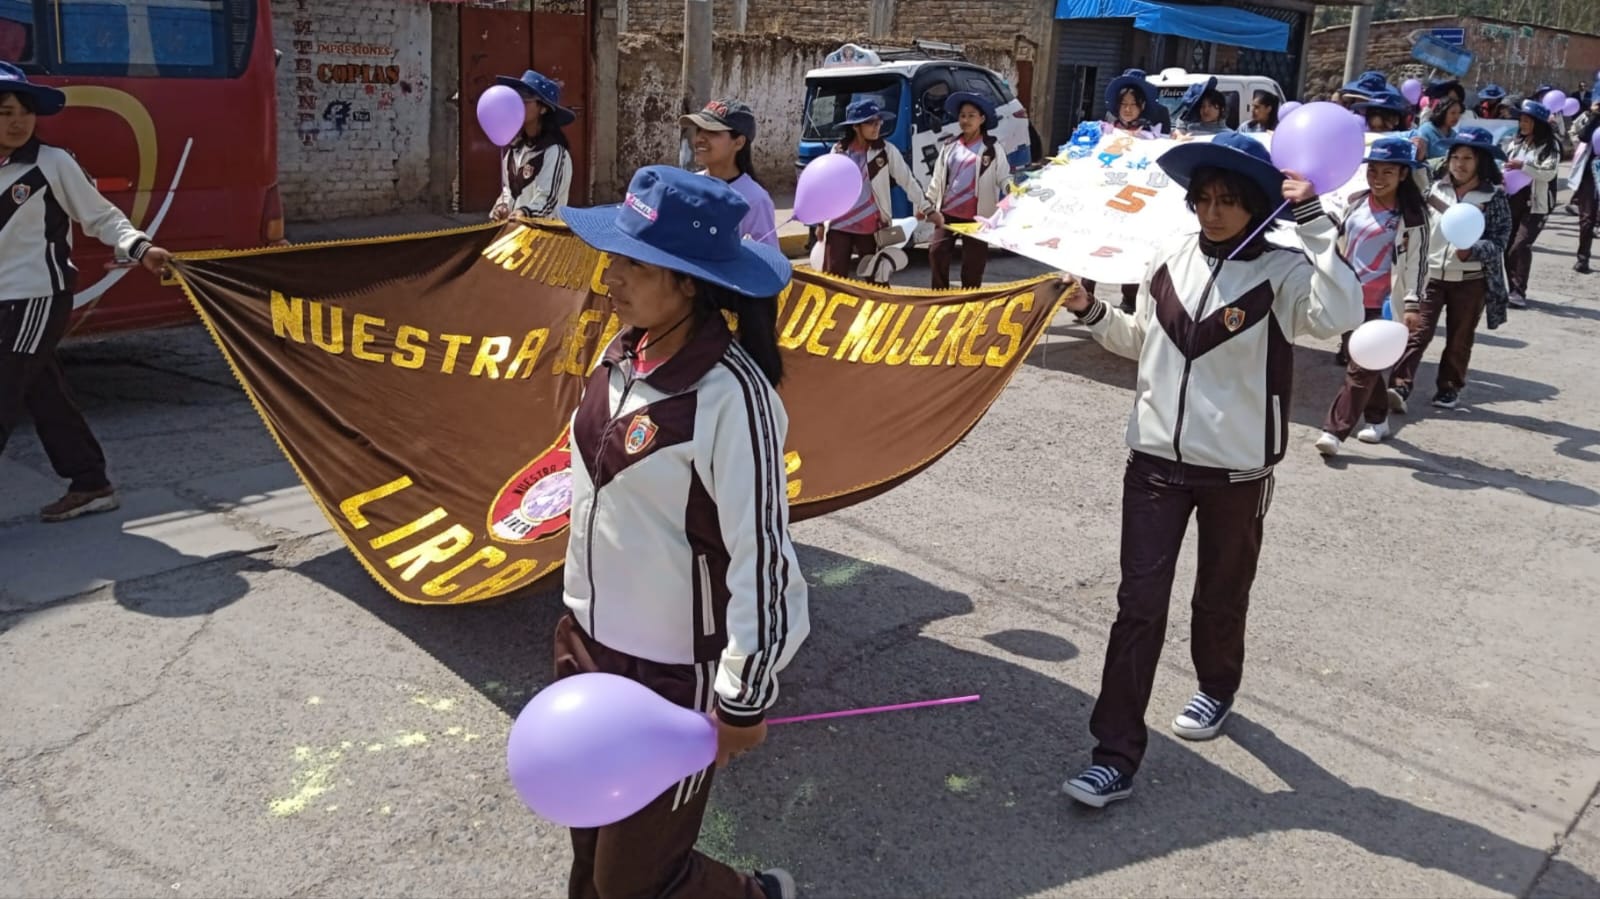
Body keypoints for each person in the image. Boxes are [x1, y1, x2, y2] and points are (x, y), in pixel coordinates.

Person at [1057, 132, 1363, 808]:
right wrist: (1091, 311)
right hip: (1155, 465)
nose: (1213, 211)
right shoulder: (1168, 257)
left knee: (1220, 597)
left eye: (1228, 200)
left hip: (1237, 473)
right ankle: (1114, 756)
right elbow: (1142, 341)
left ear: (1256, 206)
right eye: (1203, 198)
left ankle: (1216, 686)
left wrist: (1314, 223)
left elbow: (1343, 312)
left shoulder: (1283, 274)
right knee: (1138, 606)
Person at [554, 165, 809, 899]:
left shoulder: (732, 395)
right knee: (590, 852)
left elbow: (763, 557)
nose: (612, 275)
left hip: (674, 677)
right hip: (588, 647)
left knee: (636, 879)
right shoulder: (620, 353)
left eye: (636, 262)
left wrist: (742, 697)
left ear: (691, 281)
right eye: (615, 254)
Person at [0, 64, 172, 522]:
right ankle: (91, 482)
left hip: (37, 296)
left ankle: (90, 481)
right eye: (4, 112)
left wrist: (140, 247)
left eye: (24, 111)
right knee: (43, 392)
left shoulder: (51, 164)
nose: (17, 122)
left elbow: (101, 217)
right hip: (2, 299)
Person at [1314, 138, 1431, 455]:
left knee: (1360, 367)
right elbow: (1338, 241)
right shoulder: (1356, 202)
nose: (1378, 178)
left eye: (1387, 172)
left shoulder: (1413, 217)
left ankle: (1334, 432)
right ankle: (1378, 421)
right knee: (1364, 363)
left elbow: (1419, 263)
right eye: (1373, 170)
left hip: (1383, 306)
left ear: (1403, 175)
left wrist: (1412, 302)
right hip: (1348, 296)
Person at [1388, 127, 1511, 413]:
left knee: (1460, 337)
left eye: (1467, 158)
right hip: (1430, 275)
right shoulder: (1433, 189)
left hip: (1471, 280)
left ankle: (1449, 388)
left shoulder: (1494, 197)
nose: (1460, 163)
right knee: (1416, 331)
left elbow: (1501, 240)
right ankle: (1400, 385)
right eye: (1455, 157)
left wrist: (1474, 250)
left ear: (1480, 161)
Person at [817, 98, 921, 282]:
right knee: (833, 279)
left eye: (878, 122)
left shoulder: (886, 151)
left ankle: (882, 311)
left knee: (876, 280)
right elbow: (828, 187)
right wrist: (820, 222)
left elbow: (908, 180)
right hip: (839, 225)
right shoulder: (839, 150)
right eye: (870, 122)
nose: (876, 127)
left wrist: (926, 207)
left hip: (871, 227)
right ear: (856, 127)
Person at [1088, 70, 1162, 312]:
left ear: (1142, 107)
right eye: (1123, 105)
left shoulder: (1150, 138)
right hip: (1103, 200)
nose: (1128, 110)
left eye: (1133, 105)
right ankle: (1085, 296)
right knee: (1091, 249)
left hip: (1132, 204)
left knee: (1128, 250)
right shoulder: (1103, 133)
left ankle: (1129, 299)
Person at [923, 92, 1009, 290]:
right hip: (947, 214)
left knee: (973, 265)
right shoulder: (949, 145)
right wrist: (927, 203)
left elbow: (1003, 176)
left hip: (978, 218)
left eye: (971, 115)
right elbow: (937, 179)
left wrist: (1011, 189)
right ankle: (939, 297)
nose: (966, 120)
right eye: (962, 115)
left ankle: (969, 303)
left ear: (982, 119)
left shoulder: (991, 148)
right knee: (936, 253)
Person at [681, 99, 778, 249]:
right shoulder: (688, 184)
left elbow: (767, 261)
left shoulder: (755, 200)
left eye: (712, 132)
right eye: (699, 130)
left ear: (738, 142)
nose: (698, 139)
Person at [490, 69, 575, 222]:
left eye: (525, 98)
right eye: (516, 97)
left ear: (543, 108)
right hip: (515, 234)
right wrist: (501, 208)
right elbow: (509, 191)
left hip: (543, 237)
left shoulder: (554, 152)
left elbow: (548, 199)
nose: (518, 104)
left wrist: (525, 213)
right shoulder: (514, 150)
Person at [1500, 99, 1561, 308]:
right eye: (1521, 120)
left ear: (1537, 123)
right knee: (1507, 246)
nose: (1522, 124)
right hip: (1512, 201)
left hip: (1535, 204)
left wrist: (1524, 166)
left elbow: (1548, 172)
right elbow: (1504, 164)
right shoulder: (1515, 143)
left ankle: (1518, 291)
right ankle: (1510, 288)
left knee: (1521, 244)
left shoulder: (1550, 148)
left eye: (1527, 121)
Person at [1571, 85, 1600, 274]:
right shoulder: (1592, 117)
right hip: (1591, 172)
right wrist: (1595, 114)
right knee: (1587, 218)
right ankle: (1583, 259)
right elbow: (1582, 136)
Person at [1410, 96, 1462, 163]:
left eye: (1459, 113)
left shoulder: (1455, 135)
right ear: (1442, 112)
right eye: (1453, 113)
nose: (1456, 117)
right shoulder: (1426, 130)